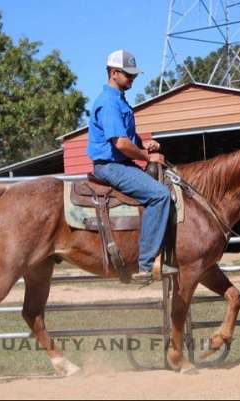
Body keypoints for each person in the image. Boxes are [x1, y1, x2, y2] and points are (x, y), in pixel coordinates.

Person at [86, 49, 177, 283]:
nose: (133, 79)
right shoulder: (108, 102)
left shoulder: (119, 100)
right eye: (129, 75)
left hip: (119, 163)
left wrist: (144, 145)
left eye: (134, 75)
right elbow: (121, 143)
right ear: (114, 73)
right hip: (111, 166)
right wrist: (147, 157)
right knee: (159, 195)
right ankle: (146, 264)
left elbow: (129, 138)